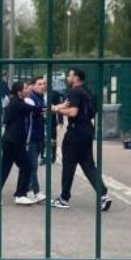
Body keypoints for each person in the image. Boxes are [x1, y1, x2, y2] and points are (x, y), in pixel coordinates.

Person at [51, 66, 111, 211]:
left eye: (69, 75)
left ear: (76, 77)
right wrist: (60, 107)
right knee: (88, 165)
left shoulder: (75, 92)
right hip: (87, 130)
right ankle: (103, 195)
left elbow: (73, 112)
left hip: (75, 132)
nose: (67, 78)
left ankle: (64, 198)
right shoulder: (87, 91)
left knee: (68, 165)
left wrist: (57, 109)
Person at [0, 80, 36, 205]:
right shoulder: (17, 104)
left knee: (25, 166)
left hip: (14, 141)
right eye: (25, 88)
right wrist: (54, 108)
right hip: (12, 142)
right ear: (19, 92)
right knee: (7, 168)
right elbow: (37, 110)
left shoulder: (18, 102)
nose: (28, 89)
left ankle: (19, 194)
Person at [24, 75, 48, 198]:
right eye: (39, 84)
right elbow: (34, 113)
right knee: (32, 164)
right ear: (32, 86)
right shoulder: (30, 99)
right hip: (31, 137)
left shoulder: (41, 98)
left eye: (44, 84)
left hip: (39, 136)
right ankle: (34, 190)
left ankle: (28, 188)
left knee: (32, 164)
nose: (42, 86)